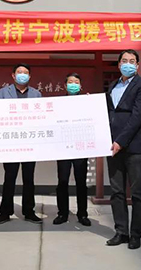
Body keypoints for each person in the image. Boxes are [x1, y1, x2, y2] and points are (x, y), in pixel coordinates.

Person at [105, 49, 141, 250]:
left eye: (132, 61)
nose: (128, 64)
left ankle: (135, 234)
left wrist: (120, 141)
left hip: (134, 147)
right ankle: (121, 232)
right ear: (118, 65)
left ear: (138, 65)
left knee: (137, 192)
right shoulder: (112, 86)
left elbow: (137, 117)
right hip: (113, 147)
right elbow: (106, 112)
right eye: (124, 61)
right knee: (116, 191)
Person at [0, 63, 43, 225]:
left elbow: (42, 117)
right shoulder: (3, 93)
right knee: (9, 177)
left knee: (29, 178)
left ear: (30, 76)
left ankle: (29, 211)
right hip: (10, 142)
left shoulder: (36, 94)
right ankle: (5, 212)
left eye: (25, 72)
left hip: (30, 142)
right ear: (13, 76)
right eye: (19, 72)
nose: (22, 75)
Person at [53, 73, 91, 227]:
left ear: (80, 86)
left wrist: (91, 104)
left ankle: (82, 214)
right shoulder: (58, 103)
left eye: (76, 82)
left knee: (81, 181)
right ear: (65, 85)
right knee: (62, 181)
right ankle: (62, 213)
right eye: (70, 82)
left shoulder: (87, 102)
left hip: (80, 147)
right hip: (63, 147)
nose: (73, 84)